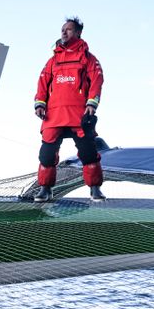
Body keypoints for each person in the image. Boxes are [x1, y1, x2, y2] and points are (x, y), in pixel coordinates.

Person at [33, 17, 105, 202]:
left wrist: (91, 103)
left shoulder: (89, 59)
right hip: (54, 114)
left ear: (79, 33)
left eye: (69, 29)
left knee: (88, 152)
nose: (64, 32)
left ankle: (95, 189)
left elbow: (97, 81)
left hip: (79, 113)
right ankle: (45, 189)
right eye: (62, 30)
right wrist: (40, 103)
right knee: (46, 155)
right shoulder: (52, 60)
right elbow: (42, 83)